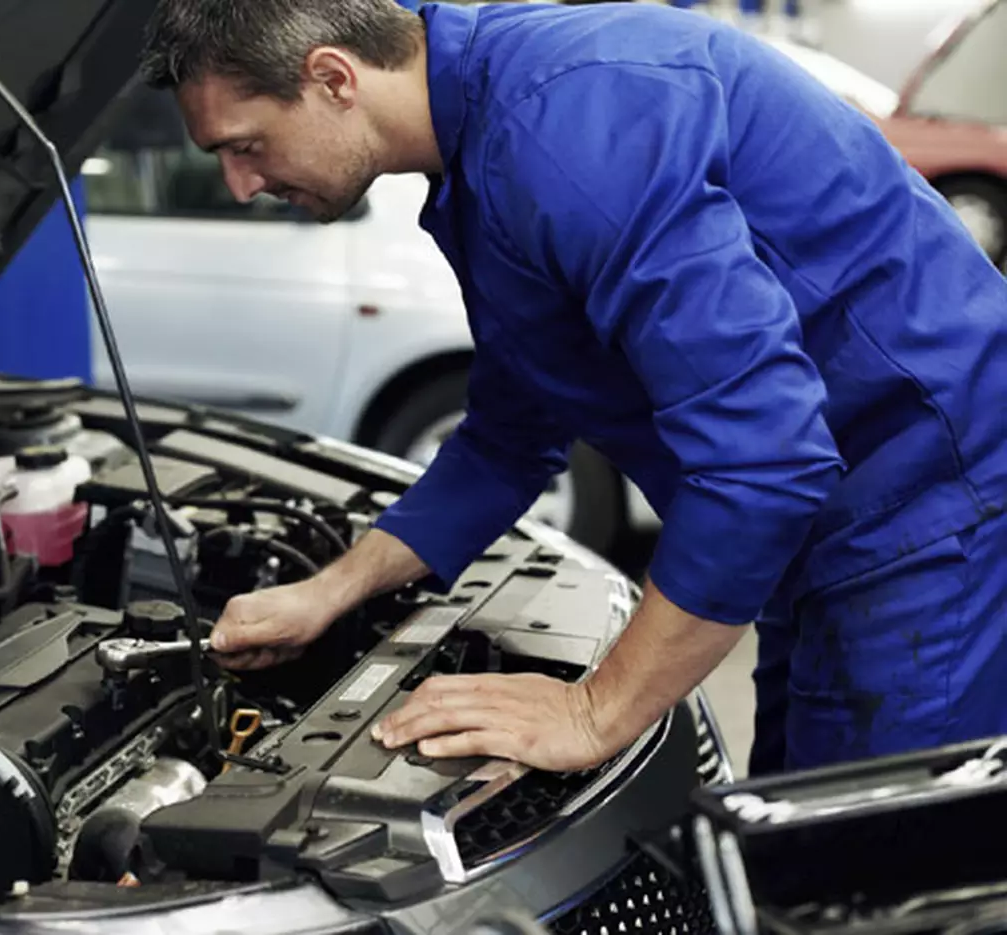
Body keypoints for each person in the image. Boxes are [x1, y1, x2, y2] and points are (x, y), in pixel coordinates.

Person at [138, 0, 1007, 777]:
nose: (241, 185)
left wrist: (594, 711)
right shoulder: (483, 147)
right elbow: (509, 438)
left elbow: (765, 465)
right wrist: (328, 592)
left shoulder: (566, 133)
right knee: (784, 837)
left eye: (245, 146)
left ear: (333, 78)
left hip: (935, 508)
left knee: (866, 879)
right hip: (835, 526)